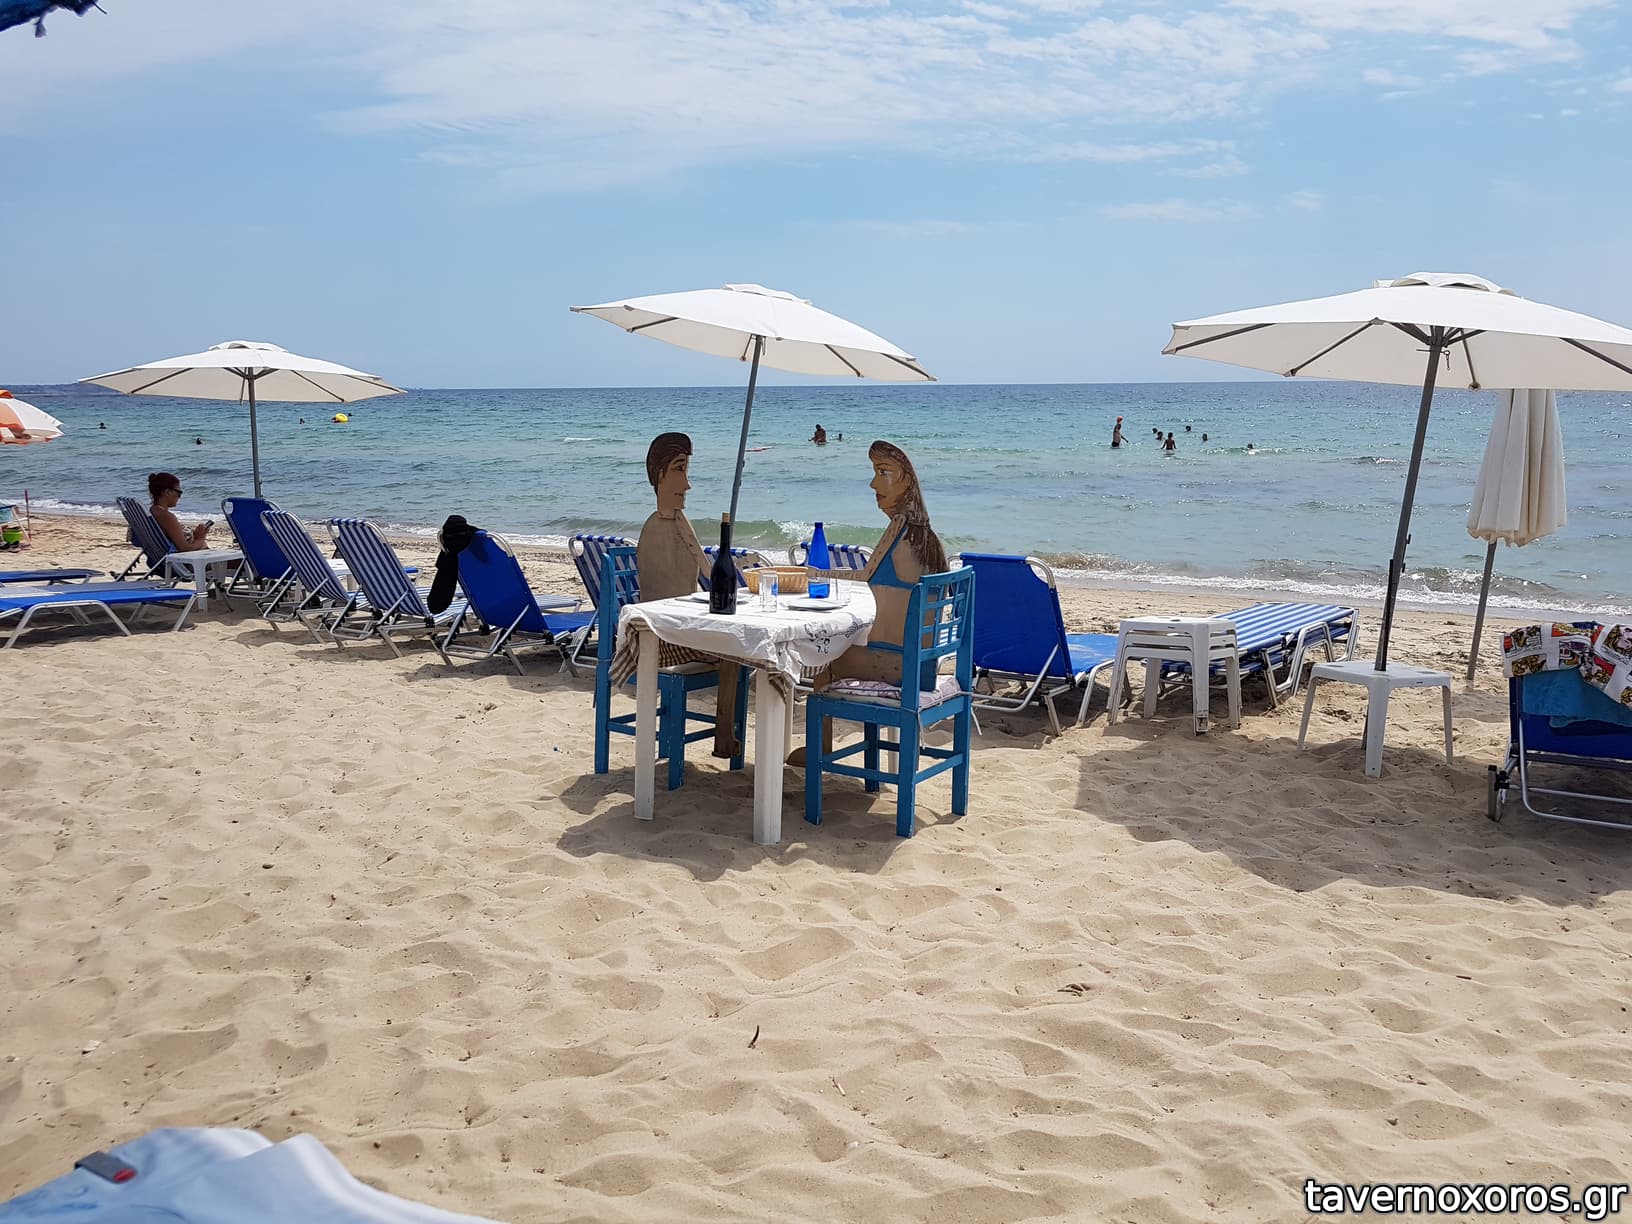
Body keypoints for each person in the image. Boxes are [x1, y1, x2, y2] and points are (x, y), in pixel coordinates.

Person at [635, 432, 741, 758]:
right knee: (736, 650)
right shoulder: (678, 523)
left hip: (654, 634)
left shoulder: (649, 526)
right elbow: (709, 571)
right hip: (669, 638)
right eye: (680, 470)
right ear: (660, 475)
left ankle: (724, 733)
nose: (688, 484)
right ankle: (724, 735)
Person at [147, 472, 212, 552]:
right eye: (179, 493)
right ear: (167, 492)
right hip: (186, 558)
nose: (179, 497)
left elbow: (172, 535)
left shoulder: (153, 511)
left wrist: (194, 534)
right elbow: (185, 548)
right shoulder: (167, 517)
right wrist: (201, 538)